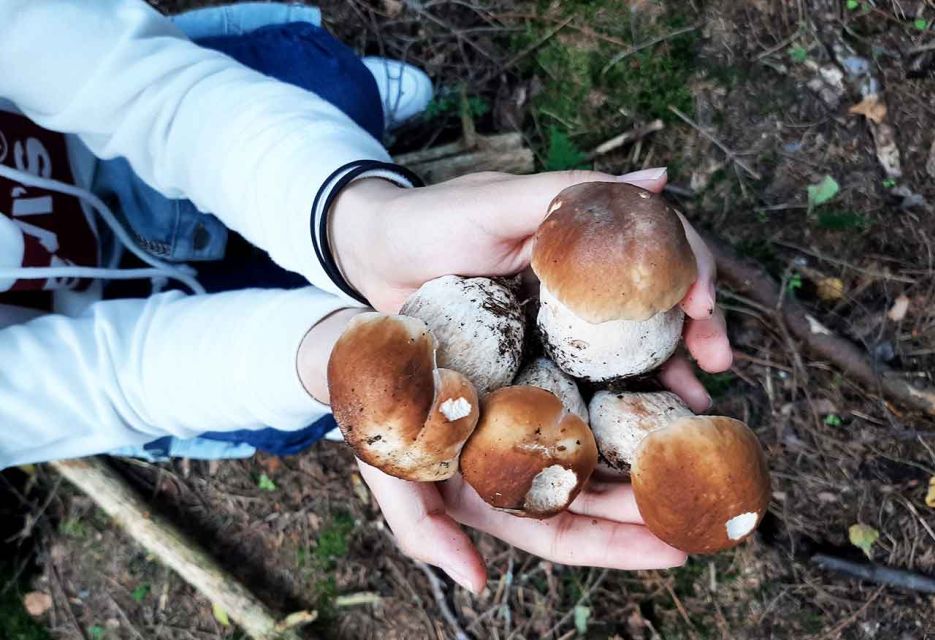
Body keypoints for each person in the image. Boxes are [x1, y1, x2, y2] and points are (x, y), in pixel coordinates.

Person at [0, 1, 732, 593]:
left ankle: (321, 103)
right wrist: (318, 352)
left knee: (321, 78)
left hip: (108, 142)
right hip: (121, 355)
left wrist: (356, 216)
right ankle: (341, 180)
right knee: (304, 410)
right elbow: (108, 382)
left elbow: (133, 82)